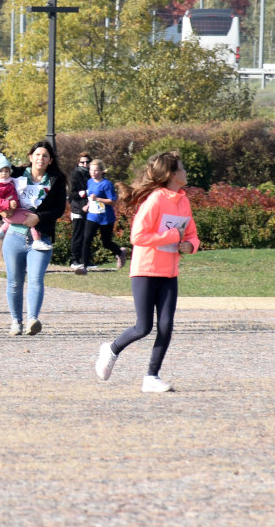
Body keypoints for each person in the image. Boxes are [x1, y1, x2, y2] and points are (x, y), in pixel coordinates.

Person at [95, 150, 199, 393]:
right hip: (145, 270)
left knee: (166, 326)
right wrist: (173, 236)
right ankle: (111, 349)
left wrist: (189, 245)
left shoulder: (183, 200)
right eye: (181, 168)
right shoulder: (154, 200)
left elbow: (192, 234)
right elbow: (137, 236)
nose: (185, 172)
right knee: (143, 327)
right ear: (172, 174)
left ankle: (151, 377)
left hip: (169, 272)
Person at [1, 141, 67, 337]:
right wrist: (1, 211)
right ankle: (16, 321)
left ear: (50, 160)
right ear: (30, 157)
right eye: (37, 155)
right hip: (15, 235)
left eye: (45, 156)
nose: (40, 158)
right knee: (14, 281)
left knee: (36, 279)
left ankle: (32, 319)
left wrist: (39, 217)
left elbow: (59, 209)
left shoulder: (56, 179)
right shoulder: (16, 175)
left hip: (41, 237)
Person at [0, 154, 50, 250]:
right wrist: (8, 204)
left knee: (12, 220)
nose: (4, 173)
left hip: (11, 212)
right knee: (32, 217)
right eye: (0, 171)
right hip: (8, 211)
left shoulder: (7, 182)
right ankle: (37, 240)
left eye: (6, 171)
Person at [78, 158, 126, 273]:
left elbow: (113, 201)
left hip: (106, 217)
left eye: (95, 170)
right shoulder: (89, 182)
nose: (93, 173)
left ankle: (120, 252)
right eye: (91, 170)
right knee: (87, 239)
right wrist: (88, 205)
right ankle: (83, 266)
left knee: (106, 242)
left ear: (101, 171)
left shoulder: (107, 184)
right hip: (93, 215)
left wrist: (98, 199)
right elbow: (91, 197)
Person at [68, 151, 94, 272]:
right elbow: (72, 194)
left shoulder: (92, 174)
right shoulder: (75, 174)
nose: (84, 164)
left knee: (87, 235)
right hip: (78, 208)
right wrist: (82, 193)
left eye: (87, 162)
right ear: (78, 163)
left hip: (91, 208)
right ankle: (75, 260)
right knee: (78, 235)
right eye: (82, 162)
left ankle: (86, 260)